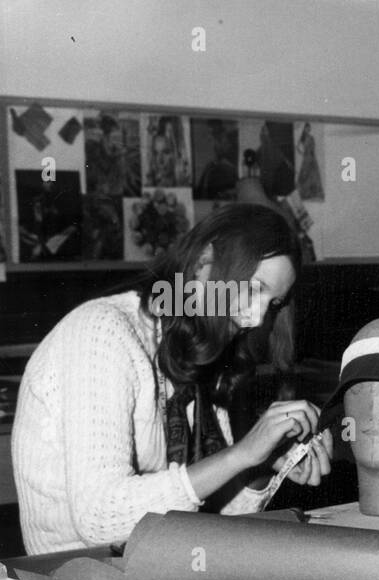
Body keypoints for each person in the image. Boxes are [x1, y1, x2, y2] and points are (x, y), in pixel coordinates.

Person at [13, 203, 332, 555]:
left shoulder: (200, 345)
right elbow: (99, 519)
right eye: (255, 288)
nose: (257, 318)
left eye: (273, 303)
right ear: (204, 263)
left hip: (153, 576)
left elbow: (213, 517)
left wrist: (261, 464)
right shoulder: (102, 330)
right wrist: (239, 455)